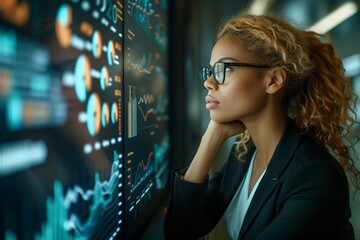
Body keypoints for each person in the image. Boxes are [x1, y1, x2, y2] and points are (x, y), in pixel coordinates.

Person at [164, 12, 360, 240]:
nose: (208, 83)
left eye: (222, 70)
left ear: (273, 81)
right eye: (209, 71)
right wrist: (213, 135)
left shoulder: (315, 176)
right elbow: (180, 232)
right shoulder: (244, 153)